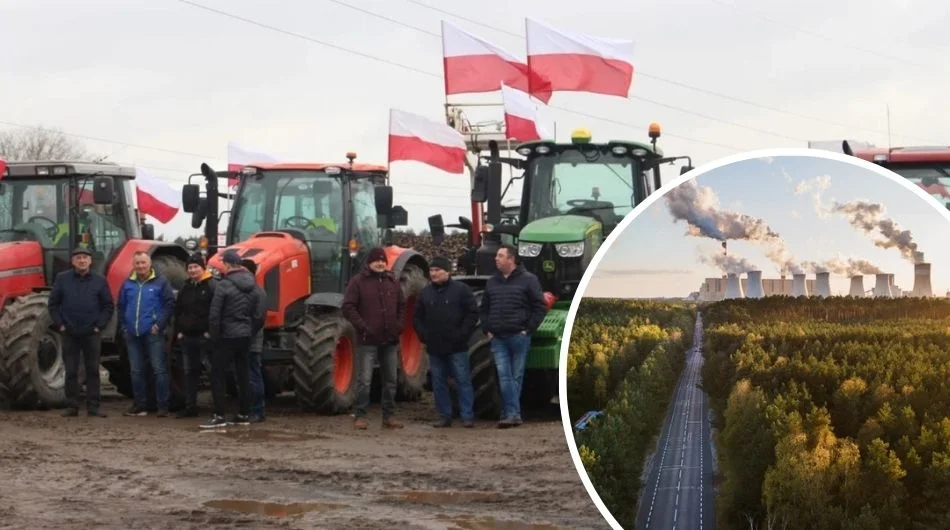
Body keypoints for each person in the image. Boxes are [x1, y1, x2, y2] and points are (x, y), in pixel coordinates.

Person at [479, 244, 546, 428]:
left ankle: (510, 413)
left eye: (500, 256)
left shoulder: (529, 280)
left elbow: (539, 307)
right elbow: (484, 309)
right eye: (497, 256)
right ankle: (513, 413)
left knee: (515, 376)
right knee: (505, 376)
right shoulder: (492, 282)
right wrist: (487, 329)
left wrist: (528, 330)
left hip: (519, 336)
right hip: (498, 337)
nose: (496, 258)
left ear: (511, 259)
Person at [342, 246, 405, 430]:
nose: (380, 263)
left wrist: (398, 326)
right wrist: (363, 327)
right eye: (377, 260)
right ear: (369, 262)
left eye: (383, 261)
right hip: (367, 339)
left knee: (391, 380)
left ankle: (389, 416)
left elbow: (402, 306)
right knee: (365, 380)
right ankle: (360, 416)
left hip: (390, 339)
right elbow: (348, 307)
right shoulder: (358, 282)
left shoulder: (392, 281)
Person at [47, 247, 114, 418]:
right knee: (71, 370)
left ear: (90, 261)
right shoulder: (63, 279)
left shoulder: (99, 281)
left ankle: (93, 407)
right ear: (73, 261)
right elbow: (53, 304)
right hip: (69, 333)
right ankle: (72, 406)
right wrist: (60, 325)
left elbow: (108, 306)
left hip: (92, 333)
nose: (82, 261)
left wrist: (99, 326)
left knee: (92, 370)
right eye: (78, 258)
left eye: (85, 258)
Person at [201, 249, 265, 429]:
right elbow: (259, 314)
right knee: (243, 374)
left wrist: (214, 336)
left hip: (226, 336)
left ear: (227, 265)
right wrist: (249, 331)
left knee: (217, 374)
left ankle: (219, 415)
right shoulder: (254, 285)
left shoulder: (224, 285)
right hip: (245, 336)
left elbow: (215, 314)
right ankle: (244, 413)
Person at [412, 256, 478, 428]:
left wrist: (463, 334)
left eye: (437, 270)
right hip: (435, 347)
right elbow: (417, 317)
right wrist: (424, 336)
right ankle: (444, 416)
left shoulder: (461, 290)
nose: (433, 274)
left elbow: (472, 314)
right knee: (438, 383)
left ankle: (467, 416)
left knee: (462, 380)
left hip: (457, 346)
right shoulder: (425, 293)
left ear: (447, 271)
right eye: (431, 271)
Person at [117, 251, 176, 417]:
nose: (141, 266)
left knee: (159, 369)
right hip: (132, 333)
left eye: (143, 263)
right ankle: (140, 404)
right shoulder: (128, 283)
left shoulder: (161, 282)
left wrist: (159, 325)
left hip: (152, 333)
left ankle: (163, 406)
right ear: (133, 265)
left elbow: (169, 304)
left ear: (149, 264)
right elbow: (121, 305)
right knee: (136, 370)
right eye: (138, 263)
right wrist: (124, 325)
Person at [172, 253, 218, 419]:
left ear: (202, 267)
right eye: (190, 267)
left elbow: (216, 312)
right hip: (187, 338)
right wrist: (179, 331)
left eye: (195, 267)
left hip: (205, 338)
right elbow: (179, 310)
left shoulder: (212, 286)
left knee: (213, 372)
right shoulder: (186, 287)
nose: (192, 270)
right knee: (189, 373)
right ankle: (190, 407)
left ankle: (218, 408)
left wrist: (210, 332)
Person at [240, 258, 268, 423]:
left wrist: (245, 335)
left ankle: (258, 410)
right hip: (241, 340)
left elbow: (259, 319)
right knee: (244, 377)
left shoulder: (258, 293)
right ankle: (247, 409)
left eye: (243, 271)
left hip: (251, 341)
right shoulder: (242, 292)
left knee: (253, 376)